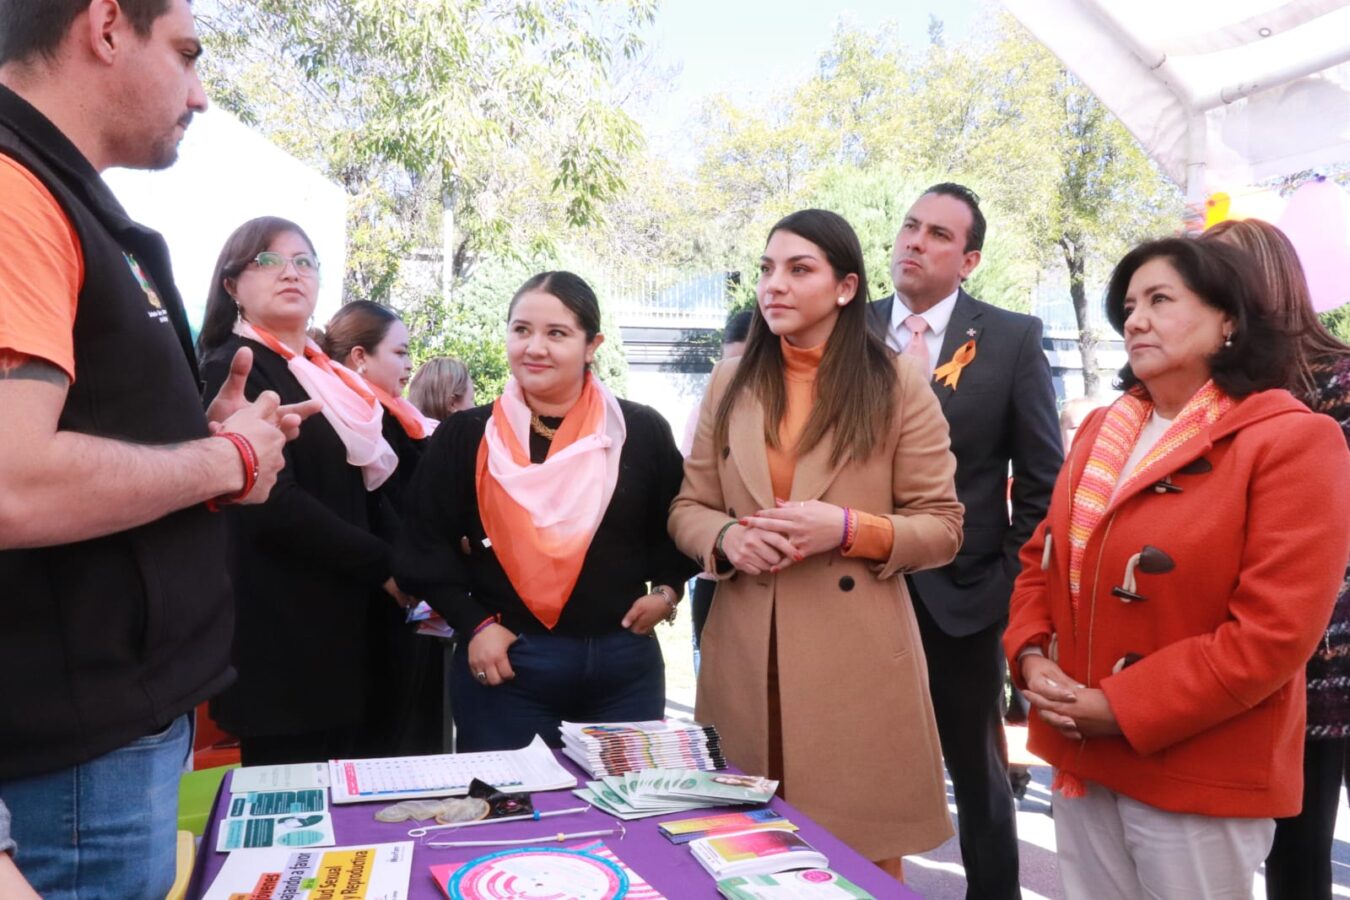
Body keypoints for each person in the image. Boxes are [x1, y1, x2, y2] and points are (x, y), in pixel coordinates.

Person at [0, 2, 315, 896]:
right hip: (71, 763)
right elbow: (10, 483)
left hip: (109, 736)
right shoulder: (14, 191)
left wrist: (203, 455)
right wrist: (227, 463)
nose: (202, 94)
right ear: (105, 27)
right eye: (186, 54)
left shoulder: (59, 196)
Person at [1005, 237, 1350, 899]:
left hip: (1198, 768)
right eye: (1130, 304)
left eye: (1160, 300)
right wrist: (1029, 658)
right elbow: (1037, 563)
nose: (1134, 319)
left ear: (1229, 321)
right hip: (1081, 750)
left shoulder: (1293, 439)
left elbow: (1274, 635)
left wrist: (1121, 705)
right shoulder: (1104, 431)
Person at [670, 209, 962, 873]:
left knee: (855, 864)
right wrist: (724, 538)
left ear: (846, 288)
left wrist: (849, 528)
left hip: (853, 662)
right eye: (768, 268)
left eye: (800, 269)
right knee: (742, 857)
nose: (775, 284)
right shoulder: (730, 383)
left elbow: (943, 526)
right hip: (745, 655)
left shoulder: (897, 385)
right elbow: (689, 506)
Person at [396, 271, 696, 752]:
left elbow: (681, 523)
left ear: (591, 344)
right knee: (511, 817)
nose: (534, 347)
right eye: (521, 330)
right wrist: (475, 624)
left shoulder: (638, 431)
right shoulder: (467, 436)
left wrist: (667, 591)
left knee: (625, 816)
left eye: (556, 333)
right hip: (507, 665)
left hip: (624, 667)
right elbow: (424, 547)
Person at [867, 182, 1061, 899]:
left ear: (969, 259)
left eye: (938, 235)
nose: (915, 241)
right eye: (909, 226)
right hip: (853, 590)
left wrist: (1005, 585)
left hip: (964, 599)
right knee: (853, 765)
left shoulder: (1011, 338)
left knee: (979, 777)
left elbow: (1044, 481)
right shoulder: (845, 330)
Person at [198, 217, 409, 766]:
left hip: (353, 625)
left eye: (304, 262)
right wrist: (383, 563)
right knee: (295, 825)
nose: (291, 273)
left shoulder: (332, 378)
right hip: (285, 633)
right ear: (231, 285)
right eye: (268, 261)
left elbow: (368, 484)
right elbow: (272, 501)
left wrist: (412, 562)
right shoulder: (234, 368)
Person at [1202, 217, 1350, 900]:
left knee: (1301, 844)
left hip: (1326, 653)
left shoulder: (1337, 379)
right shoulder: (1216, 393)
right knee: (1292, 851)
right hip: (1262, 654)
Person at [321, 299, 445, 755]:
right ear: (359, 357)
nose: (410, 365)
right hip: (372, 604)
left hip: (403, 598)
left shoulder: (388, 415)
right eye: (399, 353)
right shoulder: (352, 417)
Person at [682, 308, 753, 650]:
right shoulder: (704, 412)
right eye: (728, 365)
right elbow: (689, 497)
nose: (735, 377)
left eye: (747, 365)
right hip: (714, 570)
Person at [409, 355, 475, 421]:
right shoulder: (456, 430)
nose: (475, 407)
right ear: (452, 404)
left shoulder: (406, 427)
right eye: (471, 399)